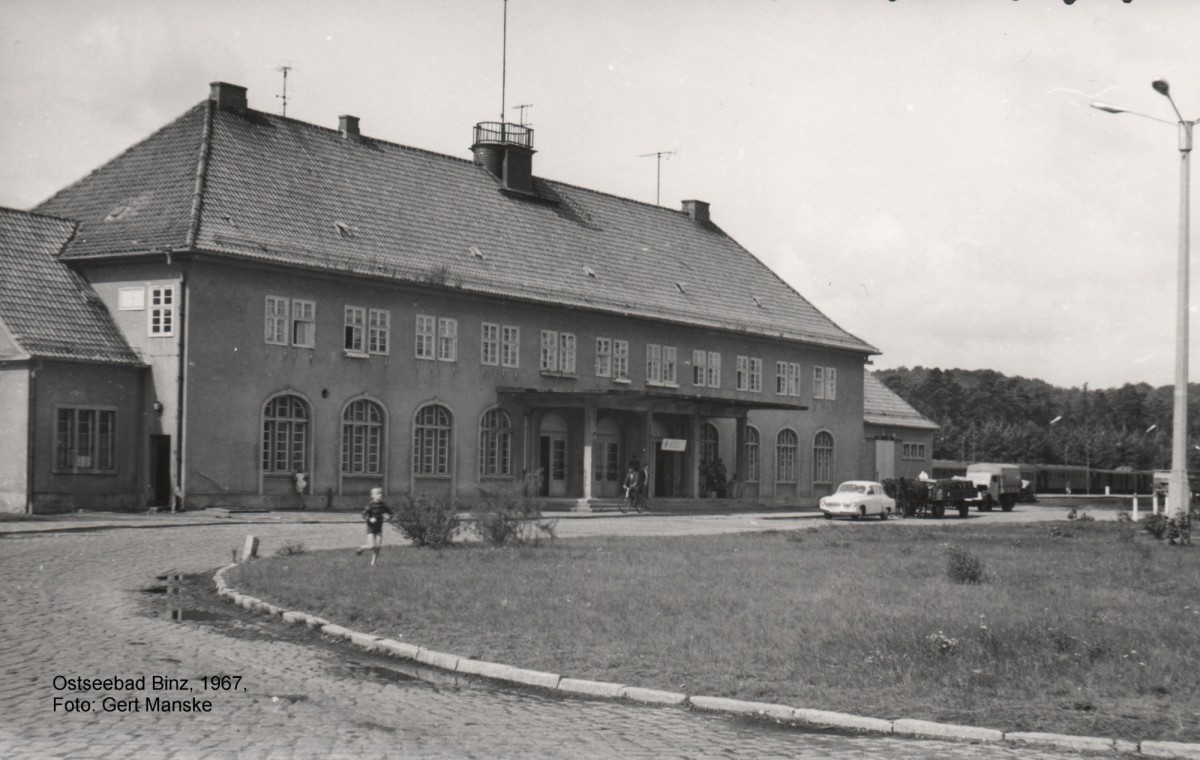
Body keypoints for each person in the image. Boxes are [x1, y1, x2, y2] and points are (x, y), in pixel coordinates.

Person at [356, 487, 393, 566]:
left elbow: (390, 512)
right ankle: (362, 547)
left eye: (381, 493)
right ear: (372, 496)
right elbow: (364, 515)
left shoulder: (383, 505)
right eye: (378, 493)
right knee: (372, 546)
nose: (380, 495)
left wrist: (389, 517)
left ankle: (373, 562)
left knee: (378, 546)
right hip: (371, 528)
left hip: (379, 528)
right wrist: (370, 519)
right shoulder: (370, 505)